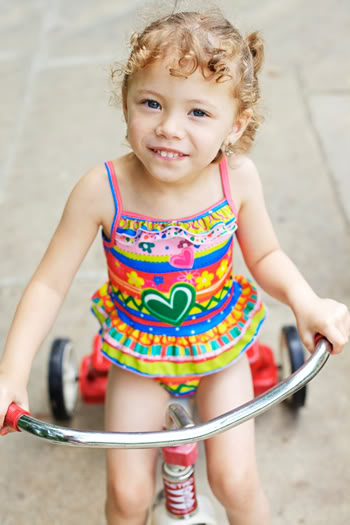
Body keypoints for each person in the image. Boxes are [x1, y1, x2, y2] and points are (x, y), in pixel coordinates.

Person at [0, 7, 349, 525]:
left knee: (236, 479)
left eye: (198, 113)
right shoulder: (103, 189)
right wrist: (12, 371)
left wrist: (305, 301)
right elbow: (50, 282)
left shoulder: (237, 180)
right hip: (137, 351)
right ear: (125, 104)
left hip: (220, 345)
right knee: (126, 494)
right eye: (151, 102)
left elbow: (267, 256)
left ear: (237, 125)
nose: (168, 128)